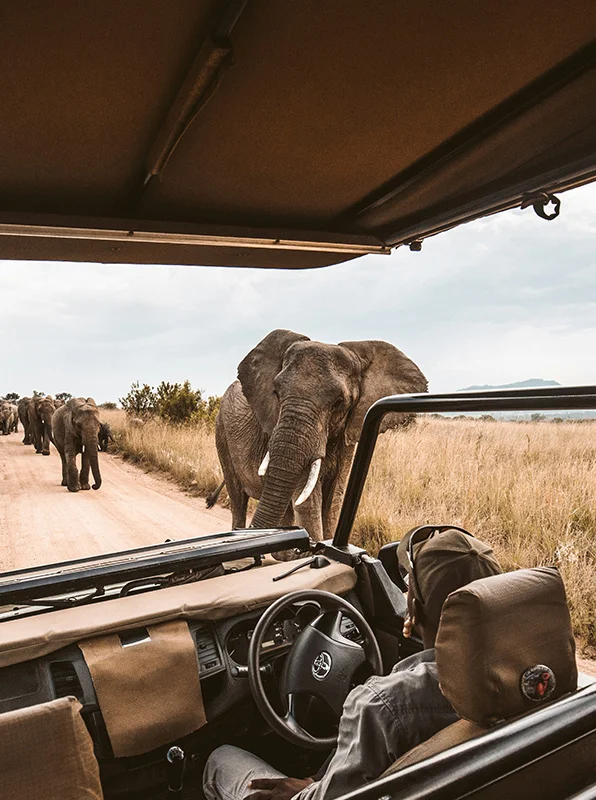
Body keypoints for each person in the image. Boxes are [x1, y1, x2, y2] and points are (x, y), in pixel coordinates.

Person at [203, 527, 502, 800]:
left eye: (409, 586)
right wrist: (313, 782)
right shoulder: (518, 677)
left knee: (220, 759)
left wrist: (304, 793)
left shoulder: (382, 704)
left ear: (413, 610)